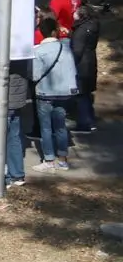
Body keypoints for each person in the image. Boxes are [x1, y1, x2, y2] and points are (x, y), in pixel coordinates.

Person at [32, 20, 79, 171]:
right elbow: (73, 70)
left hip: (45, 93)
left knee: (46, 128)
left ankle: (49, 160)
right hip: (64, 93)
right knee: (60, 127)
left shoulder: (39, 51)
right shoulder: (65, 48)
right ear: (54, 31)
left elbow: (34, 75)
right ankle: (63, 160)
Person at [70, 1, 100, 133]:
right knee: (86, 94)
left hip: (81, 65)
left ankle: (84, 123)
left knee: (81, 95)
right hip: (90, 62)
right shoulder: (92, 26)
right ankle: (90, 120)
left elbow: (77, 50)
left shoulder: (81, 31)